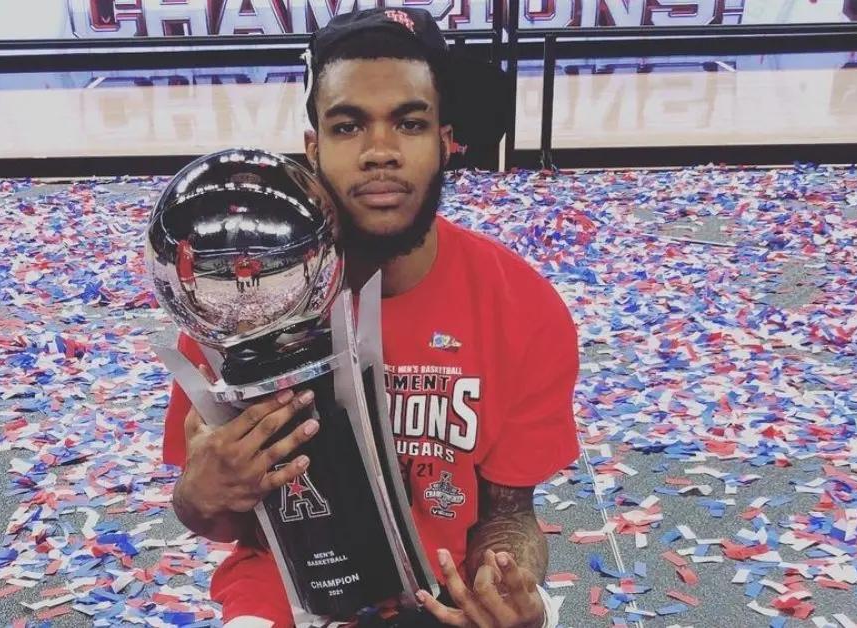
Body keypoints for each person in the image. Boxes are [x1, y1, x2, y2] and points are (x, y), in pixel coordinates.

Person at [163, 8, 580, 628]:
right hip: (285, 595)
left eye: (408, 123)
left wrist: (508, 586)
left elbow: (509, 512)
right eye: (348, 125)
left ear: (445, 139)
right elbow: (221, 522)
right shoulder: (241, 305)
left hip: (444, 601)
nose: (380, 151)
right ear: (313, 148)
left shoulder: (523, 307)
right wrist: (198, 495)